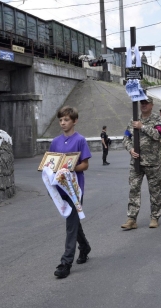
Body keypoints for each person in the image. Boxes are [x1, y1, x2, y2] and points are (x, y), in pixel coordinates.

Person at [49, 106, 92, 278]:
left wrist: (70, 168)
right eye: (60, 120)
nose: (63, 123)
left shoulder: (80, 140)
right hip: (59, 188)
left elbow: (85, 165)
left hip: (75, 189)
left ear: (74, 121)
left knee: (70, 224)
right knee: (73, 221)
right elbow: (50, 164)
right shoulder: (55, 142)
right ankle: (85, 247)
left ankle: (66, 262)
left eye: (66, 120)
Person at [121, 96, 161, 229]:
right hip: (136, 162)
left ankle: (154, 217)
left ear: (152, 105)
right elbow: (126, 138)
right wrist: (130, 149)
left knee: (155, 191)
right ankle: (131, 219)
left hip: (153, 162)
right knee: (134, 189)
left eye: (147, 103)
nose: (144, 105)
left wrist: (142, 127)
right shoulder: (133, 119)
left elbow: (158, 134)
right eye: (142, 103)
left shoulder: (157, 119)